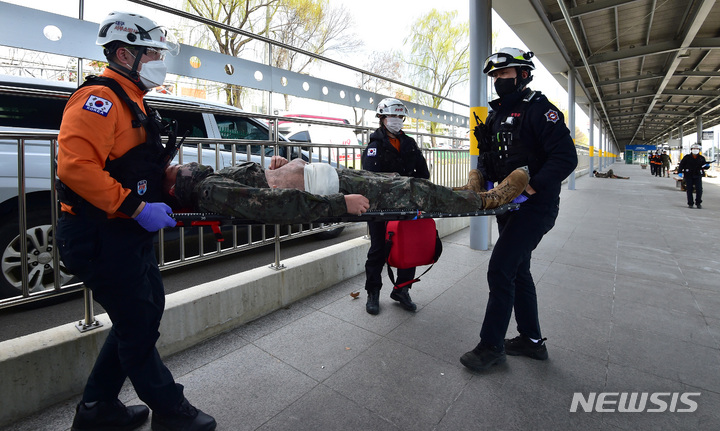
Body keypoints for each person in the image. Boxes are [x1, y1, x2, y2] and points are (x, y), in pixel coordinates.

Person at [55, 11, 216, 431]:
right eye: (154, 53)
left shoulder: (133, 99)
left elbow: (129, 165)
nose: (160, 60)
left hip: (122, 232)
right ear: (125, 54)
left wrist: (161, 189)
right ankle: (170, 409)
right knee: (137, 322)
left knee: (144, 312)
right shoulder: (101, 99)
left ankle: (97, 409)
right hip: (99, 233)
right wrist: (136, 207)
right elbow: (75, 168)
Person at [460, 47, 578, 372]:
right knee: (518, 271)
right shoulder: (496, 115)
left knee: (500, 269)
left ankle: (491, 346)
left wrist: (531, 186)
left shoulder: (541, 110)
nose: (499, 80)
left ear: (523, 75)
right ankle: (532, 341)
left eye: (505, 74)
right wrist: (479, 174)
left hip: (534, 207)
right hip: (507, 207)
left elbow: (566, 158)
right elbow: (491, 158)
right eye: (495, 76)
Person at [163, 156, 530, 224]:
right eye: (174, 169)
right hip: (334, 188)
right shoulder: (210, 189)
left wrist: (275, 163)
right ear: (177, 185)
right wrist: (341, 204)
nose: (180, 163)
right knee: (408, 191)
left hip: (331, 177)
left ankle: (463, 191)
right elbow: (275, 206)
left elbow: (266, 185)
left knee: (403, 184)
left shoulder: (215, 179)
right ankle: (485, 199)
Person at [358, 98, 430, 315]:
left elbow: (423, 173)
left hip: (406, 206)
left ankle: (402, 290)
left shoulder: (409, 144)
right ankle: (373, 292)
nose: (396, 121)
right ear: (382, 118)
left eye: (400, 116)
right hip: (379, 207)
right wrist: (400, 180)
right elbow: (370, 177)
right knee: (378, 250)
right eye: (392, 116)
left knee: (408, 247)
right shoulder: (374, 145)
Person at [678, 143, 707, 209]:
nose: (695, 150)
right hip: (688, 175)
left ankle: (698, 203)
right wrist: (680, 171)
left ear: (699, 150)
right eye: (694, 149)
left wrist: (707, 166)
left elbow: (704, 166)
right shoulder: (687, 157)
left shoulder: (701, 158)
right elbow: (681, 165)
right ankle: (690, 203)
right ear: (691, 149)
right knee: (689, 189)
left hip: (698, 175)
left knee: (699, 190)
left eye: (697, 149)